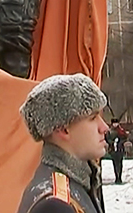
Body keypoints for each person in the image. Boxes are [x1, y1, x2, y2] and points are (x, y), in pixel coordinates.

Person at [17, 74, 107, 213]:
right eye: (93, 118)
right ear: (63, 129)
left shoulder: (78, 183)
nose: (104, 128)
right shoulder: (55, 205)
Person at [105, 118, 126, 184]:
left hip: (120, 149)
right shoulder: (110, 131)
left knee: (120, 163)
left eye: (116, 123)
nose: (115, 124)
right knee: (115, 163)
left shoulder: (121, 130)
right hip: (113, 149)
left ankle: (120, 177)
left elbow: (125, 137)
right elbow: (107, 138)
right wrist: (112, 142)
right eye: (114, 123)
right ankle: (116, 176)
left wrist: (120, 141)